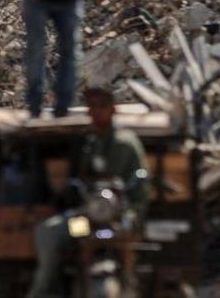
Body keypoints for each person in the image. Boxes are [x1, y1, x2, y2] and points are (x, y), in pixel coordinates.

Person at [28, 88, 148, 298]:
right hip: (88, 219)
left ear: (113, 110)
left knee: (139, 244)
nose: (96, 111)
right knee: (48, 232)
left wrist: (134, 212)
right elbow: (80, 180)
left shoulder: (127, 143)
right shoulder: (89, 143)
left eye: (102, 106)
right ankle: (46, 289)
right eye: (92, 107)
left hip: (121, 218)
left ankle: (132, 284)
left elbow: (140, 182)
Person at [21, 0, 110, 118]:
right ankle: (34, 103)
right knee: (36, 47)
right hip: (37, 0)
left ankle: (63, 105)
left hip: (68, 0)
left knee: (70, 50)